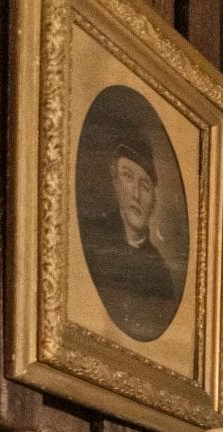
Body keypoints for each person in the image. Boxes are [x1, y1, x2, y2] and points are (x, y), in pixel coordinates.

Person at [82, 139, 181, 342]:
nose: (136, 195)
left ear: (154, 201)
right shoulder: (91, 243)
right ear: (115, 181)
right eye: (128, 176)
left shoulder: (161, 277)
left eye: (145, 187)